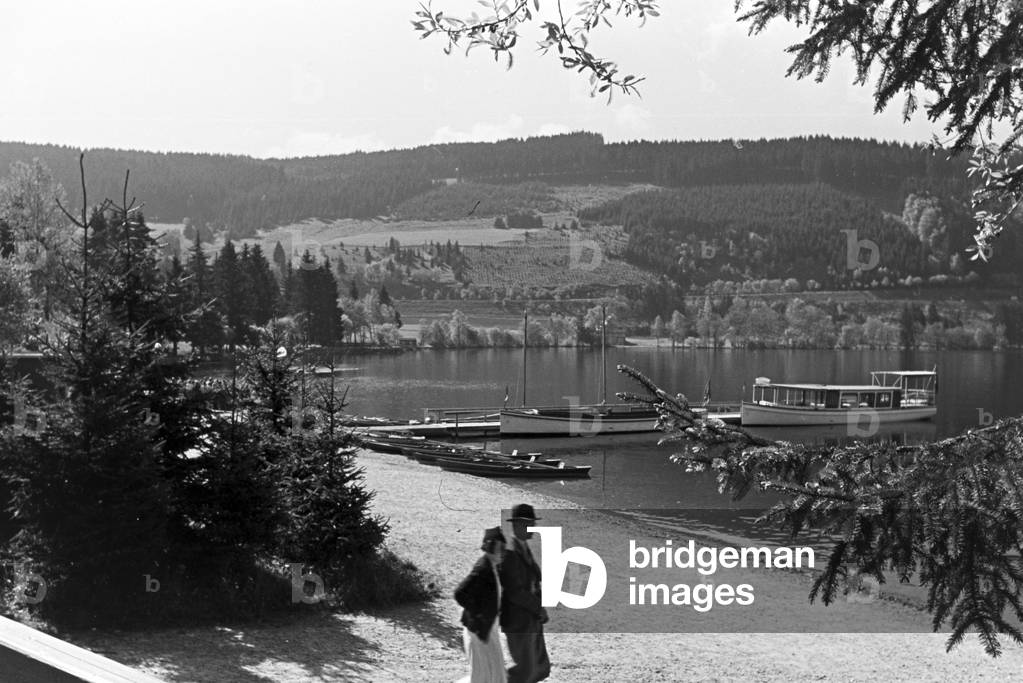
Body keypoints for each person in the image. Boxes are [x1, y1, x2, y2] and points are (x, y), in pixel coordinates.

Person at [499, 503, 550, 683]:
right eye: (529, 524)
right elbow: (515, 592)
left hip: (529, 619)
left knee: (541, 668)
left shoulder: (522, 547)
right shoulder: (510, 552)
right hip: (518, 621)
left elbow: (532, 581)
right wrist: (538, 608)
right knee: (525, 671)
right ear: (517, 525)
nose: (533, 528)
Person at [454, 526, 506, 683]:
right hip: (478, 631)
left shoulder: (493, 567)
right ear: (491, 547)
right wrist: (478, 615)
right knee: (481, 677)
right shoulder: (483, 568)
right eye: (500, 548)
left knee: (497, 676)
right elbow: (460, 593)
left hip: (489, 629)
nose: (503, 552)